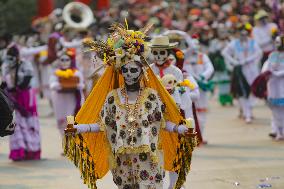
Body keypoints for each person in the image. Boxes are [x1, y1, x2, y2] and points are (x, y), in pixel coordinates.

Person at [63, 24, 196, 189]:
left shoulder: (151, 96)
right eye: (125, 70)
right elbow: (104, 124)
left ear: (141, 72)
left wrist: (181, 130)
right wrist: (79, 128)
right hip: (122, 160)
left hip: (148, 158)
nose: (129, 74)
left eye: (133, 70)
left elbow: (162, 122)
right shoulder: (113, 97)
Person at [1, 45, 41, 161]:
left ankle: (32, 150)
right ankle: (19, 151)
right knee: (15, 124)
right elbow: (4, 82)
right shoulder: (6, 65)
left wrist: (17, 90)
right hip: (11, 98)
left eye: (13, 56)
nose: (11, 59)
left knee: (29, 123)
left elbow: (27, 80)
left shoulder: (25, 64)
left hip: (25, 97)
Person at [222, 23, 262, 124]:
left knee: (253, 90)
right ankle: (246, 113)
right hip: (240, 70)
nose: (243, 35)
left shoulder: (252, 42)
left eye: (245, 33)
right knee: (243, 91)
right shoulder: (234, 43)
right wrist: (233, 61)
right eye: (241, 33)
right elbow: (224, 52)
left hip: (252, 69)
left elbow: (259, 53)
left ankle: (248, 109)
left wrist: (249, 59)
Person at [183, 38, 214, 143]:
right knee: (189, 112)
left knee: (202, 112)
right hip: (188, 88)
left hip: (201, 87)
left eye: (196, 45)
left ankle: (200, 136)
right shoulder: (182, 56)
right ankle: (190, 136)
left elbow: (210, 68)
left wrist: (202, 76)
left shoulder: (202, 56)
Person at [50, 49, 84, 137]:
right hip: (59, 100)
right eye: (62, 60)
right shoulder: (56, 73)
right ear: (59, 61)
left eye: (67, 60)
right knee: (61, 123)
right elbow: (52, 85)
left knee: (70, 122)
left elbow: (82, 85)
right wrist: (61, 85)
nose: (64, 62)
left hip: (71, 100)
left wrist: (76, 85)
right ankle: (65, 146)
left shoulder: (76, 72)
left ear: (71, 61)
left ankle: (71, 146)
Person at [262, 35, 284, 140]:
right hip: (273, 86)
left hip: (282, 84)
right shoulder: (272, 55)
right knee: (275, 111)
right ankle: (278, 132)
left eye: (278, 42)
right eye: (276, 42)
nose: (277, 45)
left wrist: (277, 74)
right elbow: (268, 67)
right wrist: (267, 73)